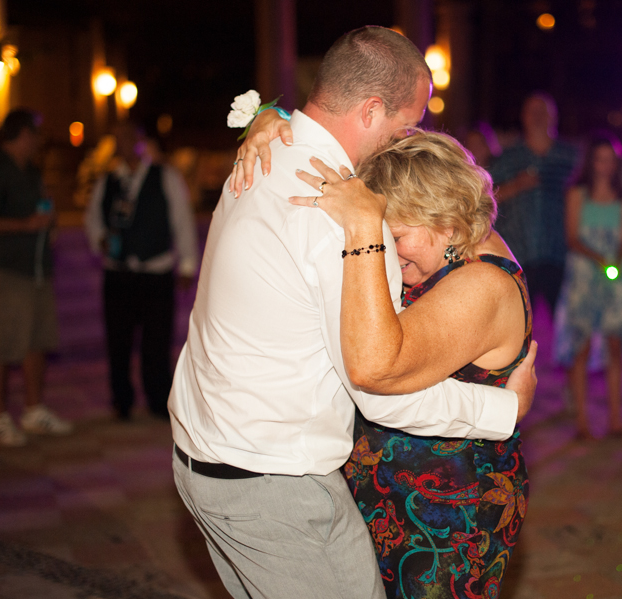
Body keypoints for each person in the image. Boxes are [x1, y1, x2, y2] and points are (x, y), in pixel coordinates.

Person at [169, 27, 536, 599]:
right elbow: (377, 376)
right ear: (370, 110)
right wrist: (503, 409)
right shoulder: (340, 214)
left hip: (214, 456)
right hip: (273, 479)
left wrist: (268, 117)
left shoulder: (275, 154)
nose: (409, 137)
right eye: (407, 123)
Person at [287, 131, 532, 599]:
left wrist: (363, 234)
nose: (390, 255)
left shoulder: (482, 285)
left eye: (395, 237)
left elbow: (382, 366)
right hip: (400, 496)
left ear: (447, 219)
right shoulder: (447, 256)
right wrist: (270, 121)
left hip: (446, 514)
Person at [0, 109, 72, 447]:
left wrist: (48, 223)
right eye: (36, 134)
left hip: (36, 269)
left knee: (36, 340)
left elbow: (40, 211)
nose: (40, 141)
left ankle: (33, 409)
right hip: (3, 271)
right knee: (0, 343)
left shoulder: (30, 171)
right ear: (23, 134)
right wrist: (24, 226)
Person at [85, 121, 199, 420]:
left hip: (156, 271)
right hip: (119, 273)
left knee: (156, 342)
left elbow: (181, 220)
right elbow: (93, 218)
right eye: (117, 138)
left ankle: (158, 398)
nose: (122, 143)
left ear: (140, 141)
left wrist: (187, 264)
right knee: (118, 342)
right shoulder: (108, 180)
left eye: (127, 137)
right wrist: (101, 241)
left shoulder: (165, 176)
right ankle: (121, 401)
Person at [554, 135, 622, 440]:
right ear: (590, 162)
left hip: (615, 275)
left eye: (610, 159)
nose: (605, 166)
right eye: (599, 159)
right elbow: (572, 237)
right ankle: (582, 423)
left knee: (616, 345)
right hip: (584, 273)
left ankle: (616, 420)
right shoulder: (577, 192)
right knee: (582, 345)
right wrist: (600, 259)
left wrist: (617, 258)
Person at [490, 92, 580, 318]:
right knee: (517, 324)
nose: (538, 117)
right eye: (533, 111)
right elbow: (484, 199)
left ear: (555, 117)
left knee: (563, 328)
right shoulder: (507, 157)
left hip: (561, 253)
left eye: (544, 111)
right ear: (523, 117)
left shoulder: (570, 158)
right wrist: (515, 185)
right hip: (518, 253)